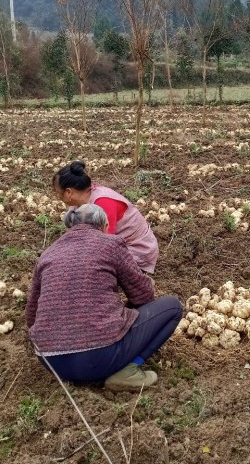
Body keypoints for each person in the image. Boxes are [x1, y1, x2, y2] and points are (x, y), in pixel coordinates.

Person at [26, 204, 183, 389]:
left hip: (51, 363)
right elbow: (143, 294)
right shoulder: (110, 243)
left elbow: (31, 315)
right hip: (98, 358)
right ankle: (128, 371)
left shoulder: (47, 255)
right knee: (173, 307)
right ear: (105, 225)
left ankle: (89, 372)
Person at [53, 161, 158, 274]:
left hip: (137, 250)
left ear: (68, 192)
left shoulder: (103, 202)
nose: (57, 196)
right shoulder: (79, 203)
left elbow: (105, 244)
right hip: (114, 246)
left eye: (58, 192)